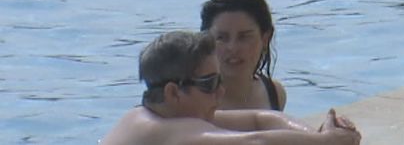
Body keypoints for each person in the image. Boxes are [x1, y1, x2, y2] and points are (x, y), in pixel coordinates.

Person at [99, 30, 361, 145]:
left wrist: (319, 137)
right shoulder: (169, 131)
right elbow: (256, 141)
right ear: (173, 92)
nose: (220, 93)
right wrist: (325, 141)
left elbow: (261, 119)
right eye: (209, 84)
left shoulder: (141, 116)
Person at [199, 0, 286, 112]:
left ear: (265, 39)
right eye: (221, 38)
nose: (232, 47)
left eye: (244, 37)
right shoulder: (193, 101)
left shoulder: (274, 94)